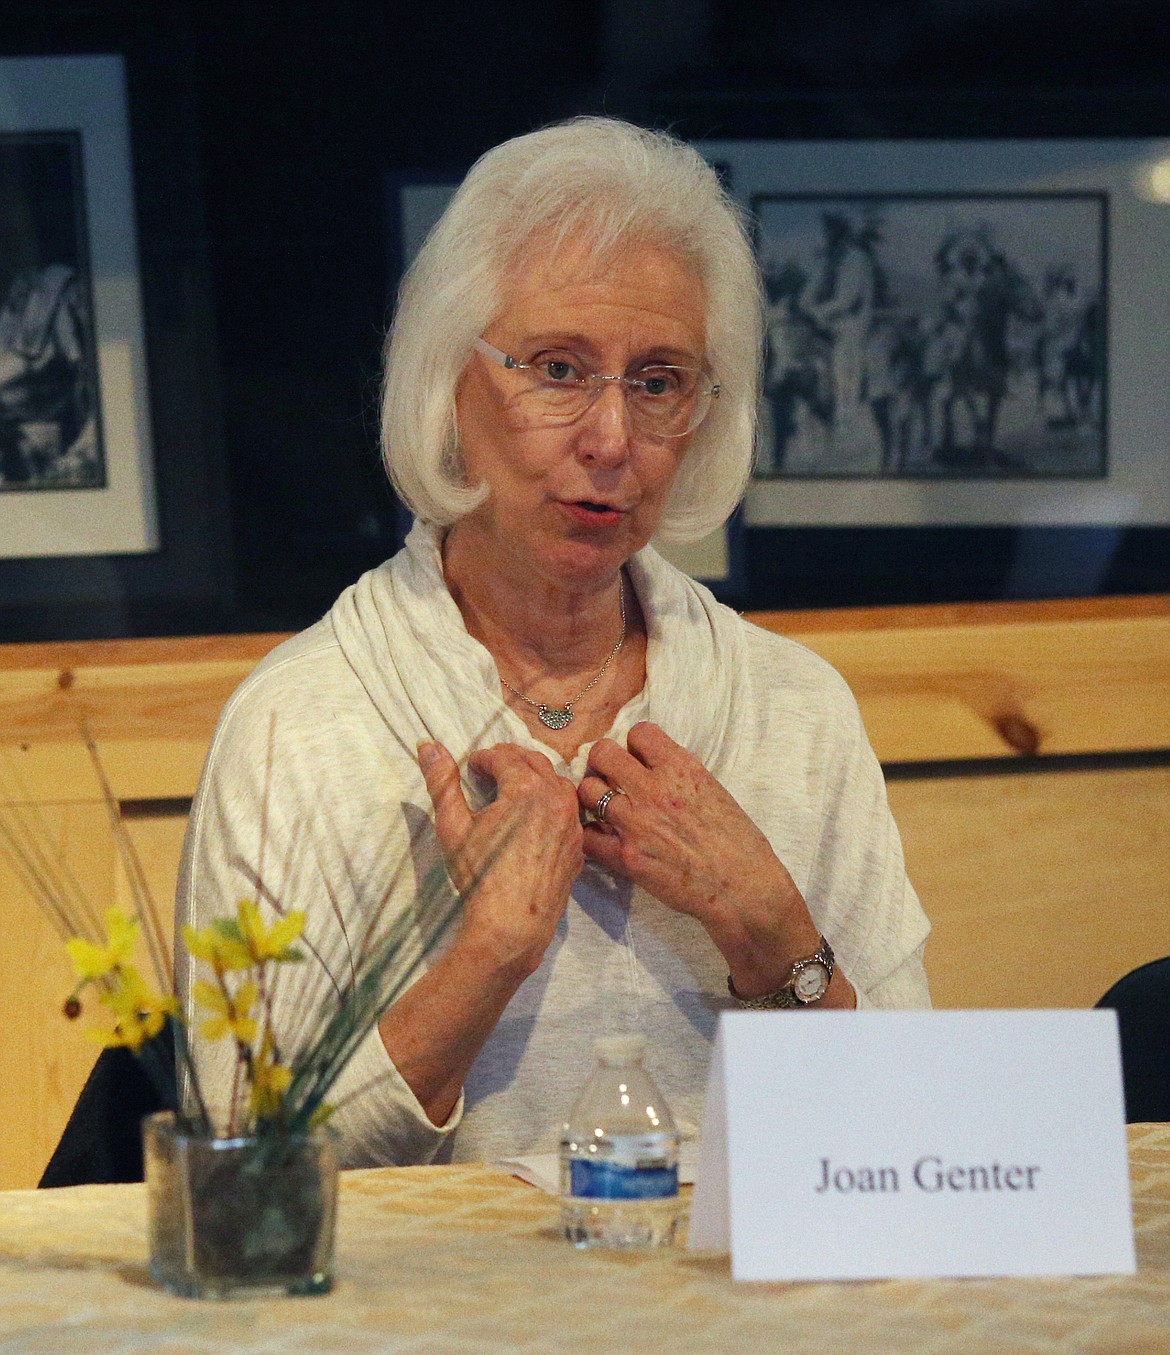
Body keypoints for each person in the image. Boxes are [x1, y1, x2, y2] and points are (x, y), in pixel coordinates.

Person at [177, 117, 930, 1168]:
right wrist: (487, 954)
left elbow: (917, 1145)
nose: (611, 438)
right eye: (559, 368)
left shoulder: (792, 707)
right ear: (450, 381)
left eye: (659, 379)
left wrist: (773, 934)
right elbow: (249, 1178)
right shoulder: (301, 724)